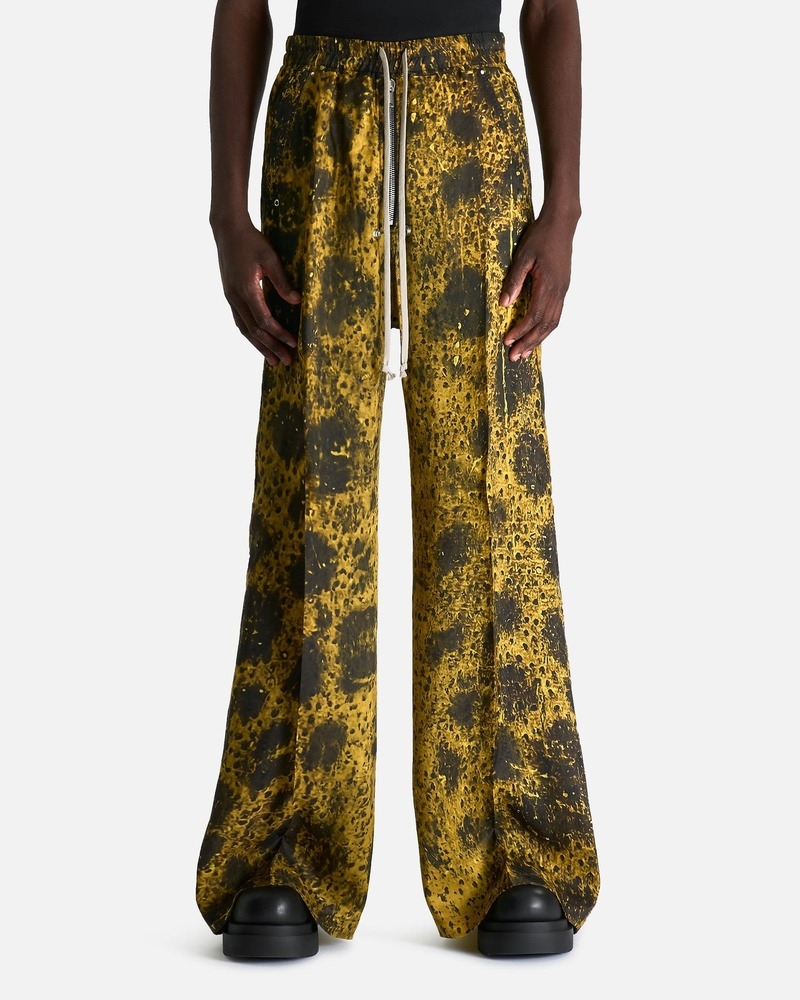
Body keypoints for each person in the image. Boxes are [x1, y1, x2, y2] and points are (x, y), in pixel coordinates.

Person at [196, 0, 600, 960]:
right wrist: (227, 216)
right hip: (319, 124)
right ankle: (285, 847)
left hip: (471, 134)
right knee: (310, 500)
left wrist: (563, 211)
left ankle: (512, 844)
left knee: (490, 501)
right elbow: (241, 5)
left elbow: (550, 9)